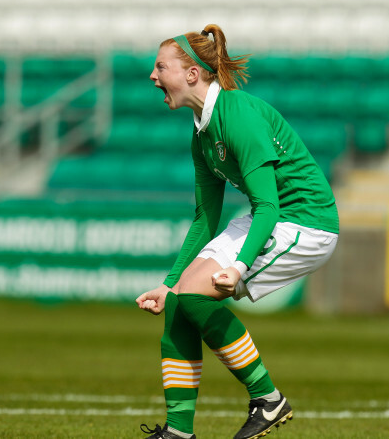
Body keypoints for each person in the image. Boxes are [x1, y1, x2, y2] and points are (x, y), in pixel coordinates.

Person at [136, 24, 339, 439]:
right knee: (178, 301)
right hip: (272, 216)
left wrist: (241, 265)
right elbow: (204, 217)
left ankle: (268, 399)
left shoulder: (238, 115)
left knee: (194, 298)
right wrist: (168, 282)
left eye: (161, 67)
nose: (153, 76)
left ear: (192, 73)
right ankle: (179, 433)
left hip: (307, 222)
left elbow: (269, 205)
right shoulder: (201, 131)